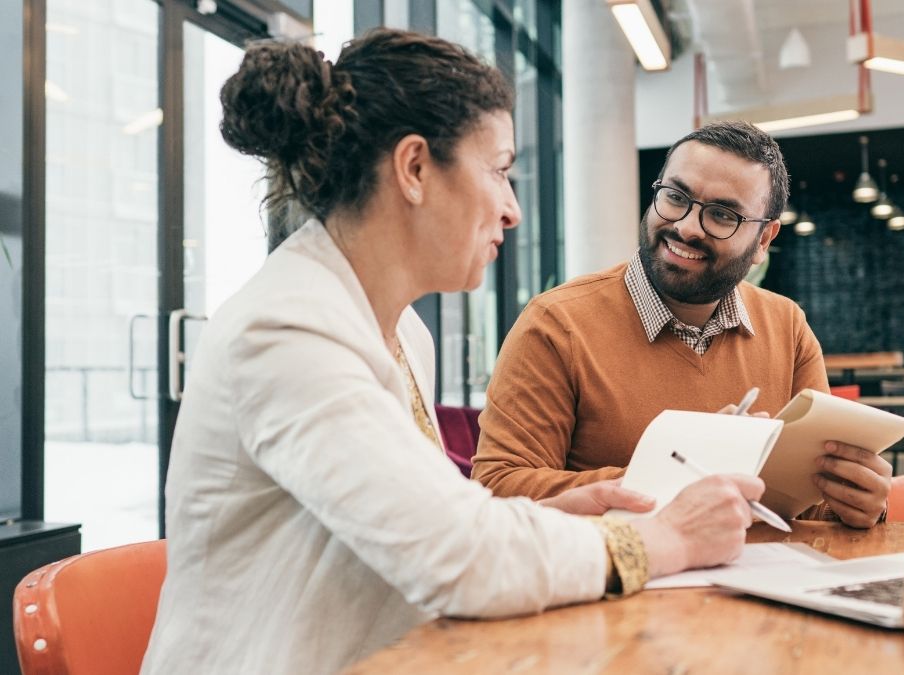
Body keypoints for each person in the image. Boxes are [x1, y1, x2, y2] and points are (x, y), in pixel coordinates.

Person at [140, 30, 764, 675]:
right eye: (498, 170)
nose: (513, 209)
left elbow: (411, 524)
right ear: (414, 169)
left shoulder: (403, 330)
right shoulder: (284, 333)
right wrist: (663, 538)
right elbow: (458, 561)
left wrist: (547, 516)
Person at [471, 121, 892, 528]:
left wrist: (856, 501)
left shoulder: (787, 327)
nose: (686, 227)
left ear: (763, 240)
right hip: (625, 590)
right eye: (675, 196)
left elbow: (805, 504)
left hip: (763, 585)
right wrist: (680, 472)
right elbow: (497, 489)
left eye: (723, 215)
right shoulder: (555, 324)